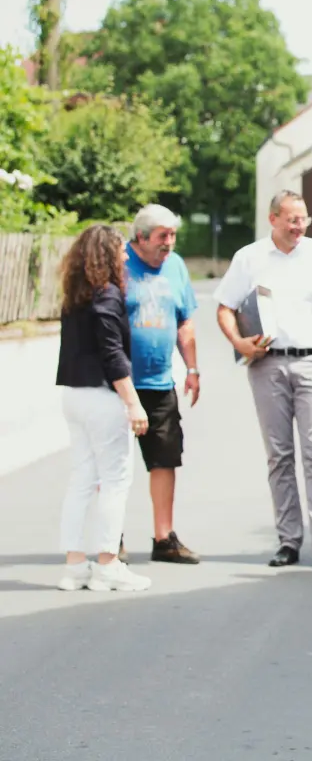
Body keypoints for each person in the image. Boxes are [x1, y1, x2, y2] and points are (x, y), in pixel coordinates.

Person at [213, 190, 312, 573]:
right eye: (292, 219)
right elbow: (224, 307)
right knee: (279, 456)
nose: (299, 226)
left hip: (311, 362)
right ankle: (288, 541)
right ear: (273, 219)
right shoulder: (250, 258)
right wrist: (238, 342)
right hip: (266, 366)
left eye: (303, 218)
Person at [54, 224, 152, 592]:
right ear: (107, 256)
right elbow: (112, 354)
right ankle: (109, 564)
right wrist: (134, 403)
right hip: (101, 397)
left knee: (81, 479)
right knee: (115, 481)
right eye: (120, 251)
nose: (126, 255)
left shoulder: (75, 296)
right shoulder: (107, 295)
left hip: (74, 396)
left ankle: (75, 567)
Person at [124, 204, 201, 564]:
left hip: (159, 382)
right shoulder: (118, 264)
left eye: (172, 236)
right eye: (161, 237)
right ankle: (112, 537)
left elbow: (185, 322)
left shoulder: (177, 266)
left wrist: (192, 369)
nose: (168, 244)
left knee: (165, 459)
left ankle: (163, 537)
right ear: (140, 238)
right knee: (115, 464)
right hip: (121, 383)